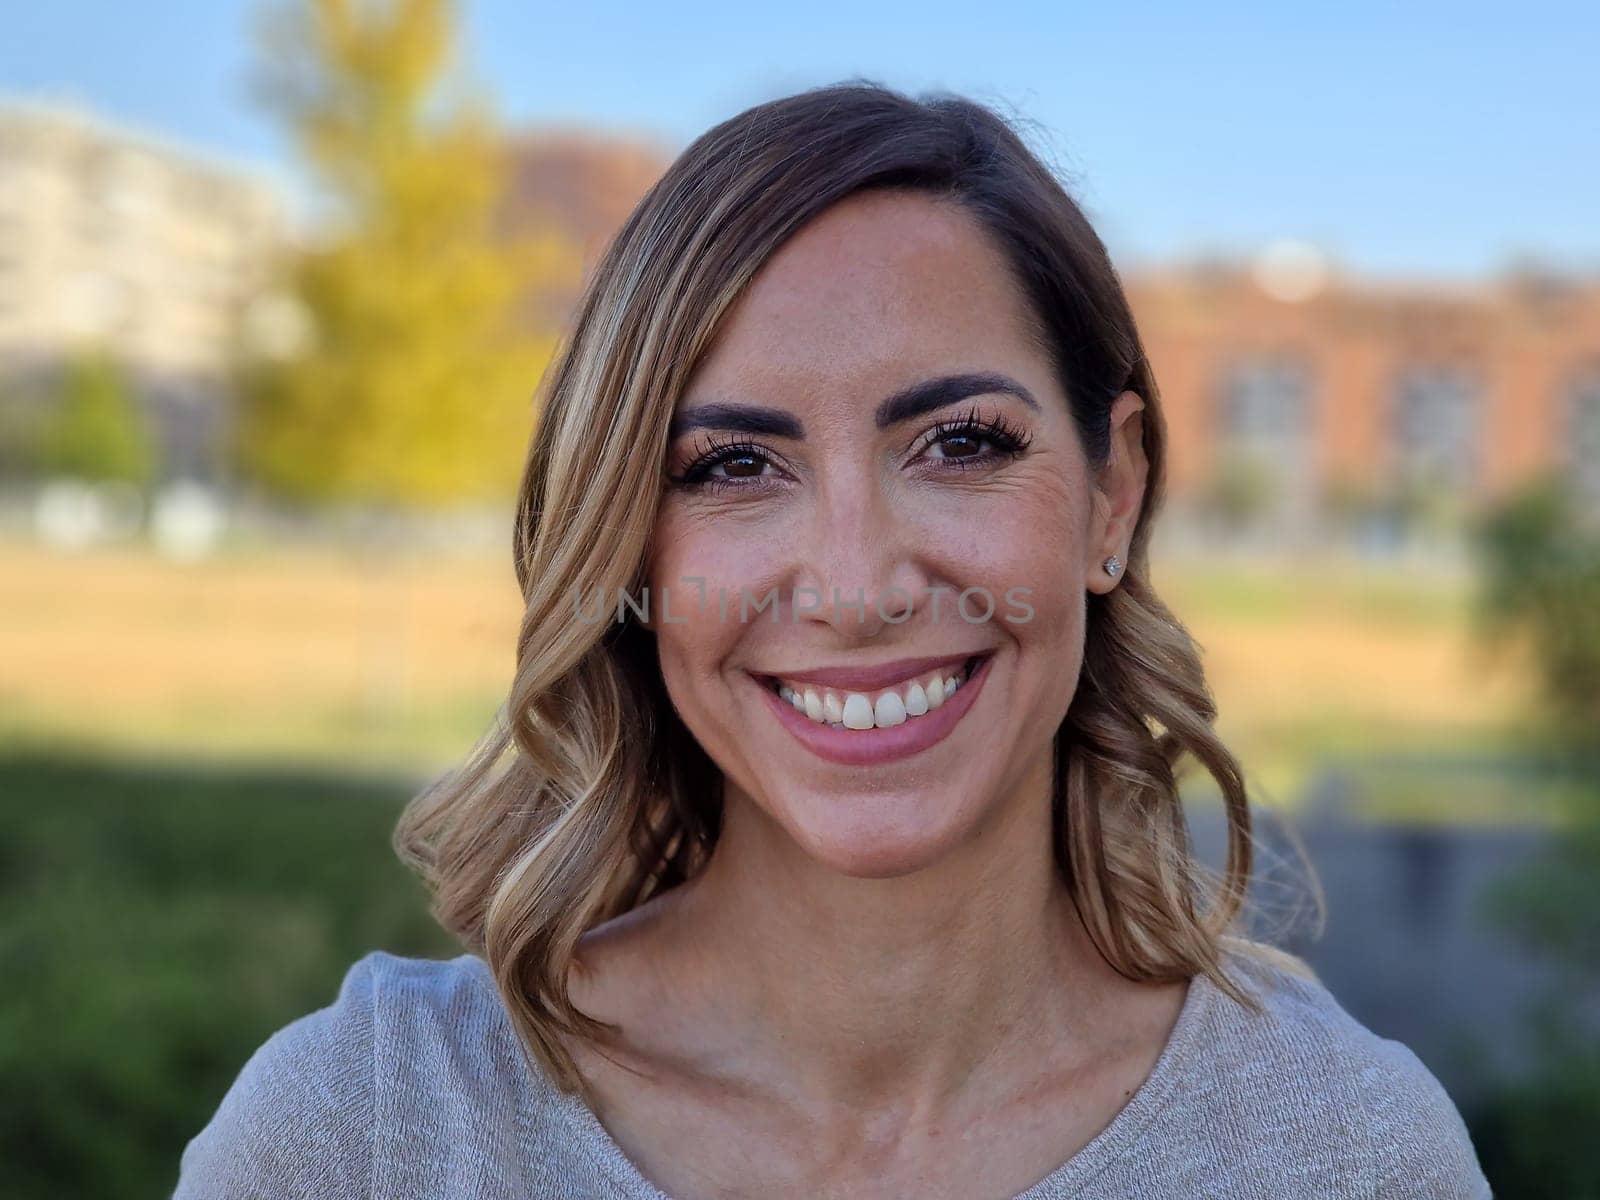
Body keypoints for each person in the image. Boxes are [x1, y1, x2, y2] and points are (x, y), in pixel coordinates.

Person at [173, 80, 1493, 1199]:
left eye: (961, 444)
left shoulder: (1346, 1154)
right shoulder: (367, 1132)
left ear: (1115, 492)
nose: (855, 587)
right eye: (734, 463)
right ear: (629, 539)